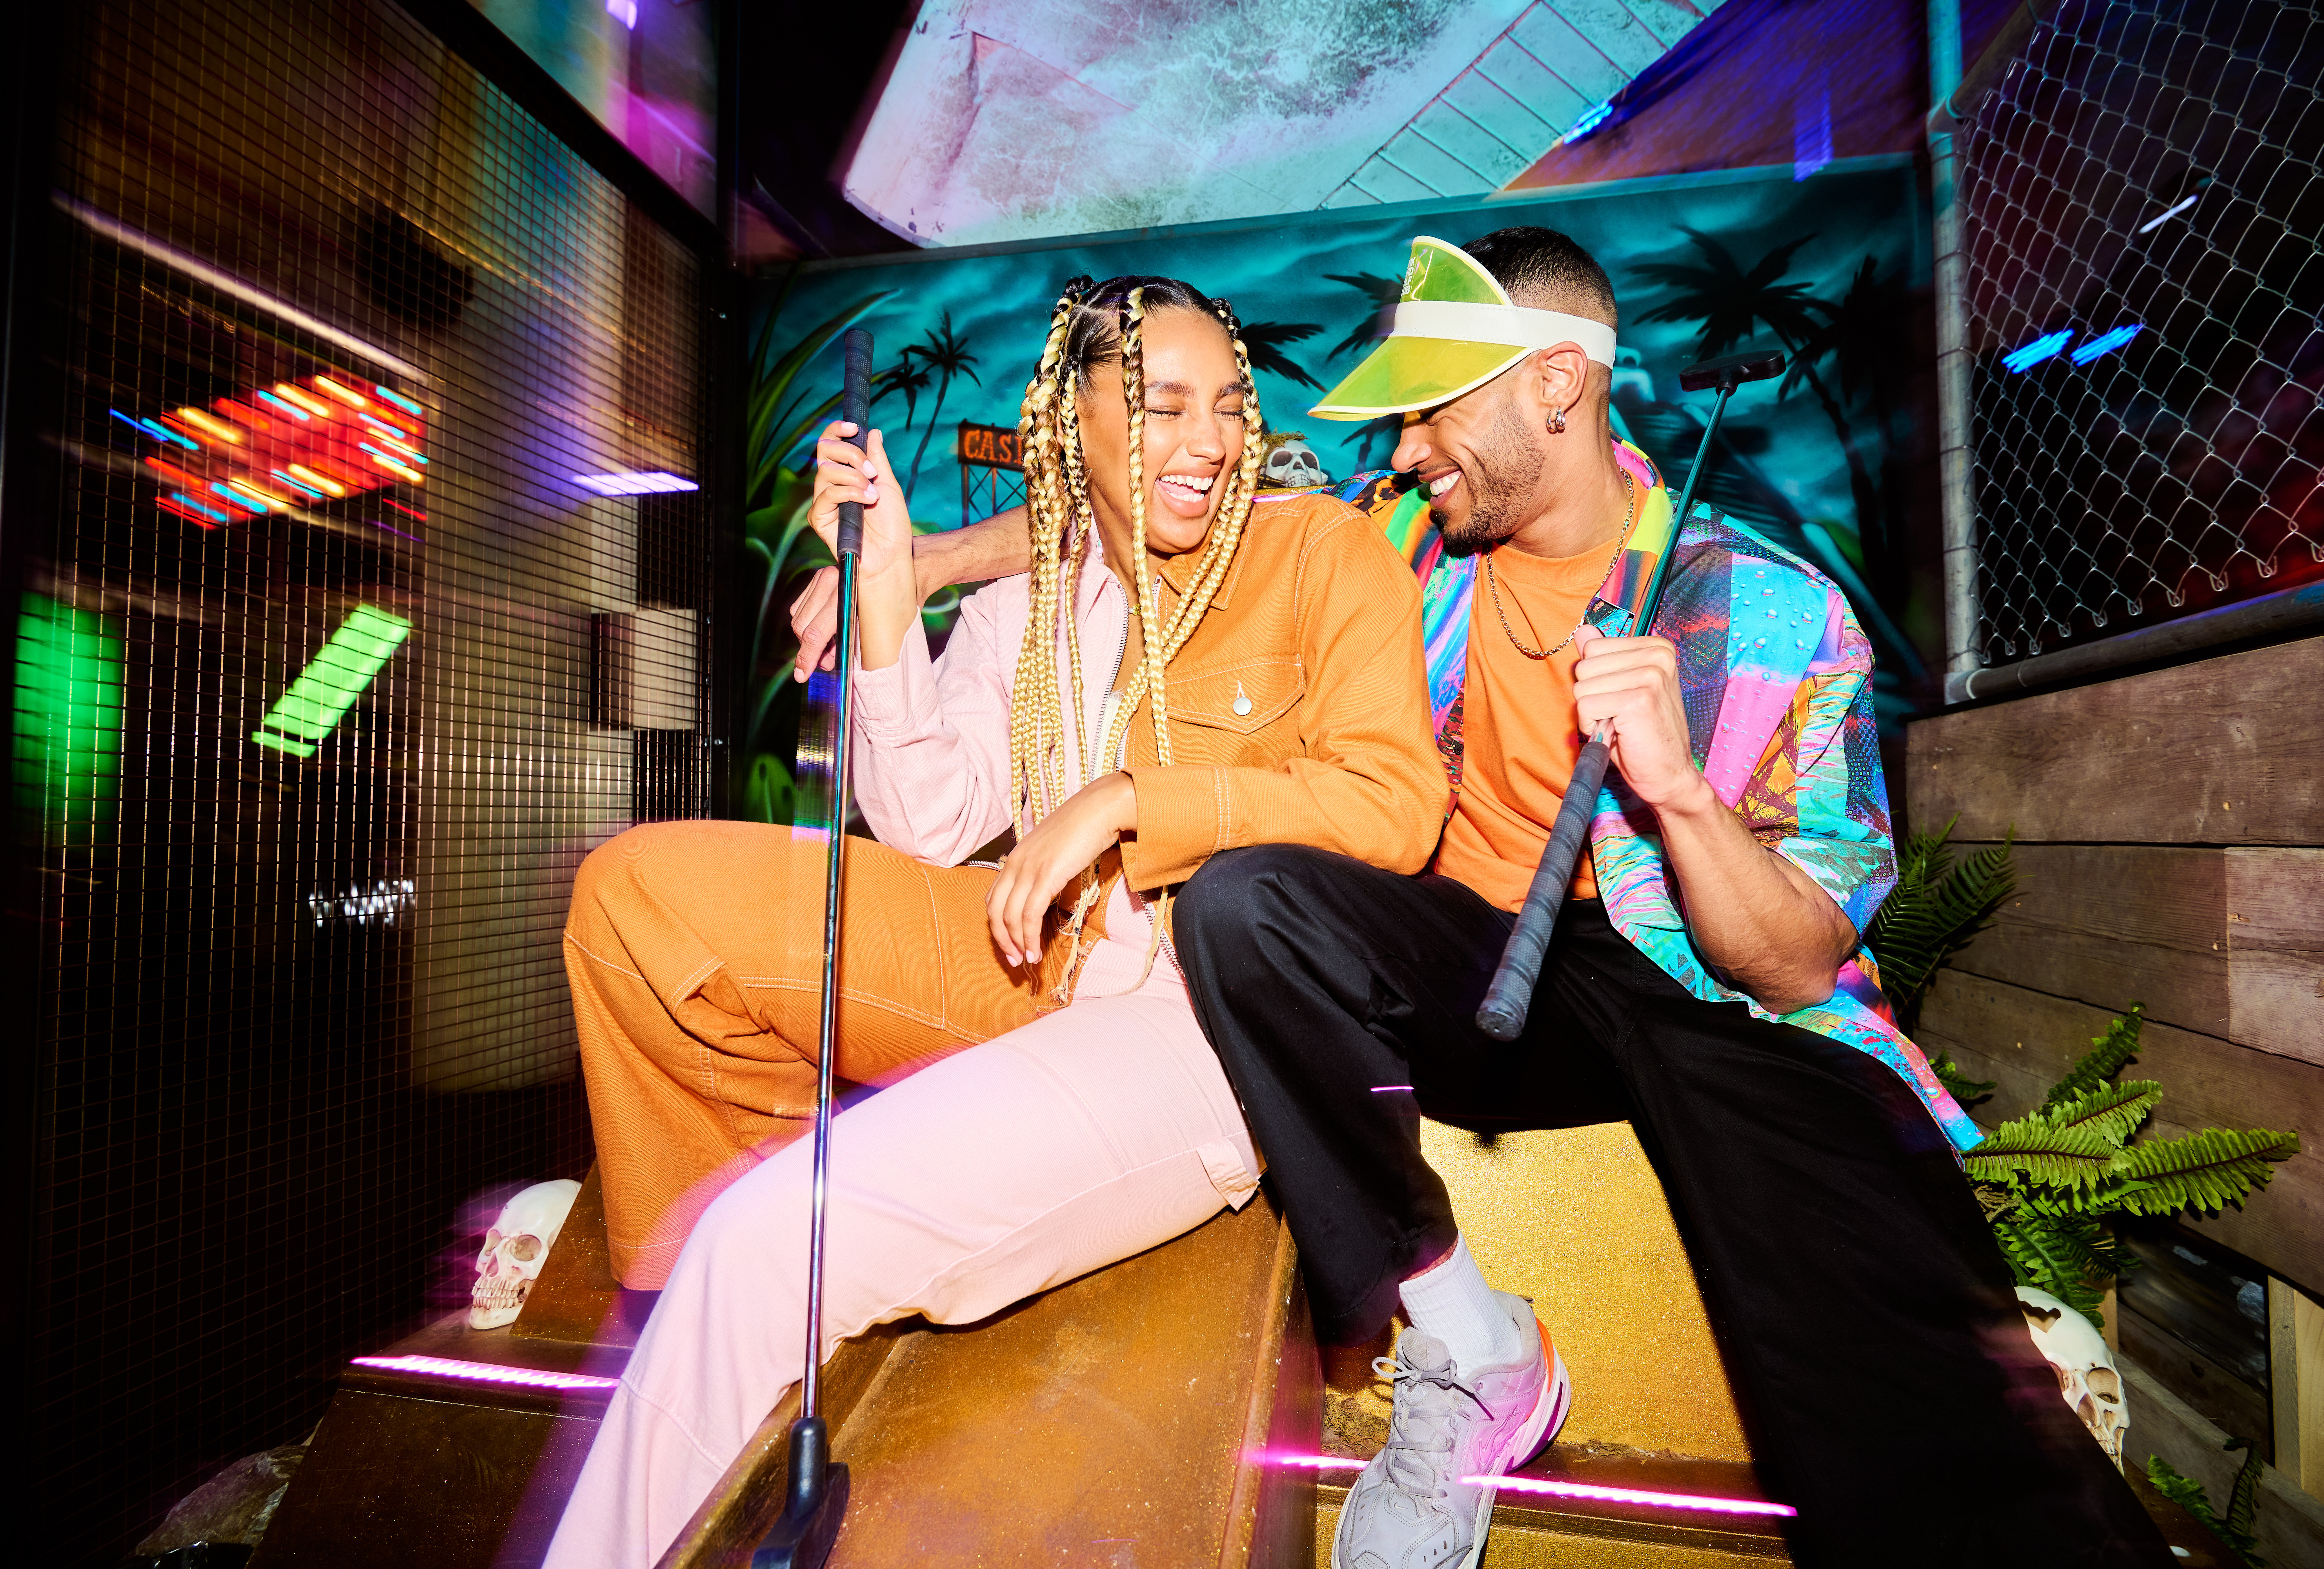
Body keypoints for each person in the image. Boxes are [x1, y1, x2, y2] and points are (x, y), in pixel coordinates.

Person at [806, 230, 2171, 1569]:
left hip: (1698, 980)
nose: (1404, 450)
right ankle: (1468, 1350)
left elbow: (1800, 963)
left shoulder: (1771, 610)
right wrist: (917, 566)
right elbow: (1151, 501)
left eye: (1434, 414)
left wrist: (1685, 796)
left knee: (1867, 1324)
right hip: (1470, 964)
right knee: (1244, 904)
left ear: (1556, 389)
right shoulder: (1407, 548)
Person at [543, 274, 1449, 1567]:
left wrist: (1137, 800)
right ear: (1071, 427)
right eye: (1164, 406)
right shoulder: (1023, 599)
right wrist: (891, 590)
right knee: (635, 897)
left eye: (1231, 408)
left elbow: (1394, 807)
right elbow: (924, 819)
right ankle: (700, 1307)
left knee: (771, 1244)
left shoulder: (1316, 555)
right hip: (1020, 960)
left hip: (1196, 1023)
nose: (1211, 441)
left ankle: (746, 1292)